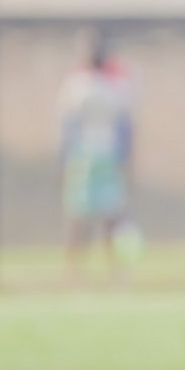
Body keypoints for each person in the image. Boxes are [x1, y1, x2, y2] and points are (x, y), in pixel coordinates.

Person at [58, 34, 135, 279]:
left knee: (79, 214)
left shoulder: (77, 85)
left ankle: (73, 269)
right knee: (108, 215)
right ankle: (113, 269)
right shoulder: (115, 87)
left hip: (83, 155)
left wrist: (64, 158)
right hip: (107, 154)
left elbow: (68, 125)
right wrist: (125, 156)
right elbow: (125, 127)